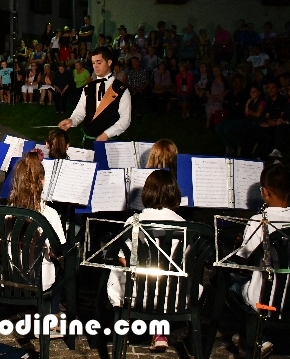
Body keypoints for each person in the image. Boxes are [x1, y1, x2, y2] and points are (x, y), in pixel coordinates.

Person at [106, 169, 191, 352]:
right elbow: (187, 263)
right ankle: (160, 331)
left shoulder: (134, 221)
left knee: (117, 270)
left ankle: (123, 330)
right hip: (175, 296)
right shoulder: (186, 226)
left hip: (138, 294)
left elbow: (123, 259)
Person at [231, 164, 290, 357]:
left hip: (264, 300)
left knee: (230, 283)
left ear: (265, 193)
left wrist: (241, 242)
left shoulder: (258, 221)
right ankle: (251, 337)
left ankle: (252, 337)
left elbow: (243, 259)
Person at [7, 151, 66, 325]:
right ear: (42, 181)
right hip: (40, 281)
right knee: (61, 263)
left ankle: (29, 310)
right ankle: (51, 314)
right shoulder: (49, 214)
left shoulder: (6, 212)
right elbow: (57, 253)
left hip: (11, 277)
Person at [59, 46, 131, 146]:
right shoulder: (88, 87)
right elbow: (80, 111)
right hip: (89, 142)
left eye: (99, 62)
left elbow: (125, 119)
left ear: (109, 62)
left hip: (110, 143)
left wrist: (107, 134)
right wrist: (72, 120)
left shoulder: (122, 89)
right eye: (93, 63)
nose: (95, 66)